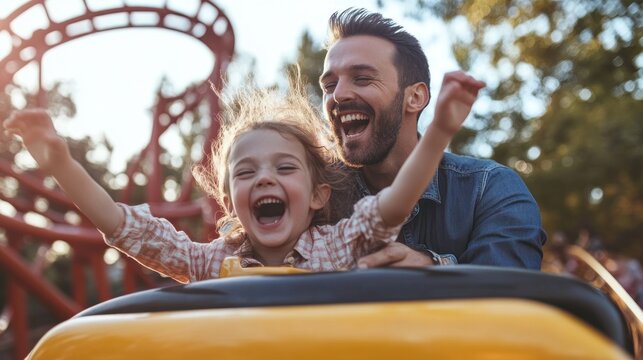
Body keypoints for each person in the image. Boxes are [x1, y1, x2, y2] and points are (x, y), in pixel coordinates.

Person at [3, 75, 483, 283]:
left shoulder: (338, 247)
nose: (264, 179)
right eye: (246, 172)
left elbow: (392, 207)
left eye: (284, 168)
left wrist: (438, 130)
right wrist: (60, 162)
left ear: (318, 196)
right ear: (231, 201)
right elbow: (124, 227)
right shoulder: (211, 262)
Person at [319, 8, 546, 269]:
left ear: (415, 97)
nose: (338, 95)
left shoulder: (490, 189)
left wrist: (434, 269)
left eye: (362, 78)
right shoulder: (311, 196)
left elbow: (511, 295)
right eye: (329, 86)